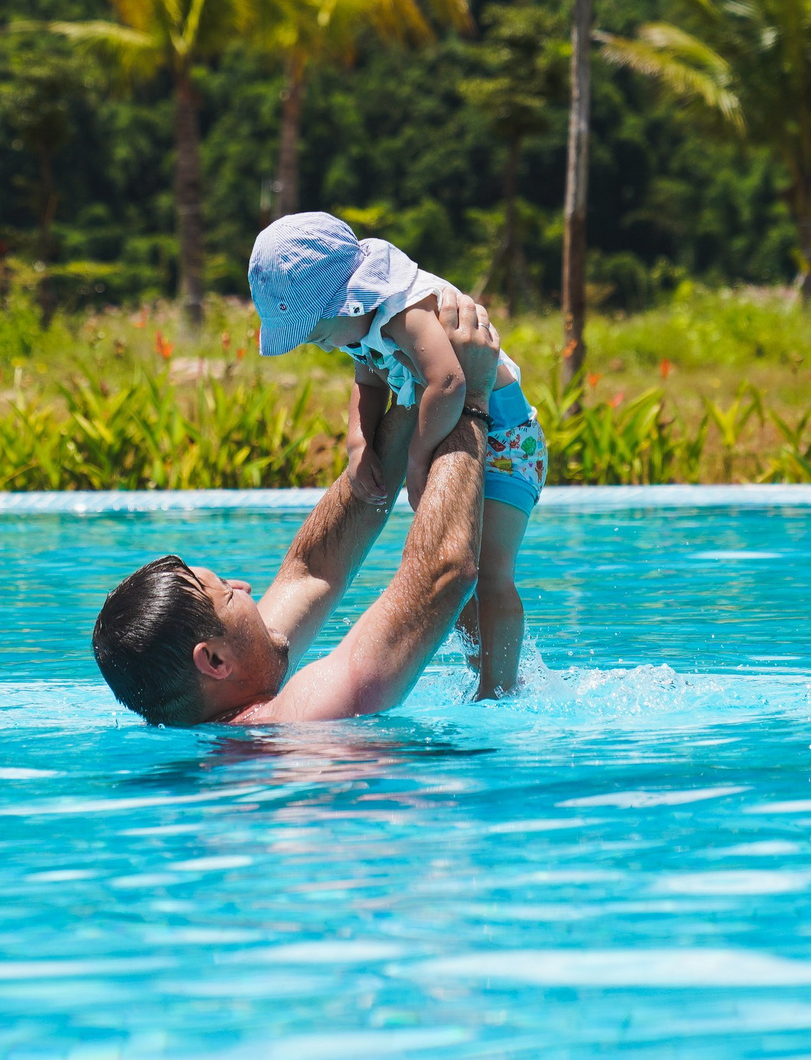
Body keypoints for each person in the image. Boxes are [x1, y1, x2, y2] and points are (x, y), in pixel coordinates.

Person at [92, 294, 534, 726]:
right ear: (213, 660)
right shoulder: (301, 717)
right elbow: (443, 572)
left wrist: (418, 387)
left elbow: (312, 570)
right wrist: (472, 398)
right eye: (226, 593)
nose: (245, 586)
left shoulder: (238, 681)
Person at [253, 212, 543, 694]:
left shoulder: (403, 310)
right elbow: (368, 382)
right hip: (453, 433)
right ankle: (486, 675)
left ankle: (502, 691)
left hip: (507, 441)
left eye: (318, 333)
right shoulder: (358, 323)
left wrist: (416, 459)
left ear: (346, 300)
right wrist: (359, 444)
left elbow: (449, 382)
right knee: (456, 587)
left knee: (489, 572)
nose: (320, 346)